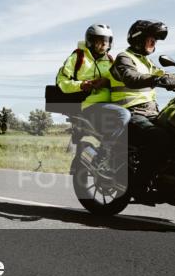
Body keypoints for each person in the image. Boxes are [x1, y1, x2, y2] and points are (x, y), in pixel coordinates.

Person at [108, 20, 175, 196]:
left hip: (151, 113)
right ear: (138, 38)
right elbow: (131, 77)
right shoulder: (124, 58)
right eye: (151, 39)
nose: (153, 43)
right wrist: (156, 79)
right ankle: (138, 184)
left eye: (155, 40)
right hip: (129, 112)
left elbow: (164, 75)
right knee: (160, 138)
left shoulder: (147, 63)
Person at [55, 24, 131, 176]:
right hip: (90, 105)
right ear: (90, 41)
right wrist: (83, 85)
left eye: (108, 41)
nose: (104, 44)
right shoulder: (78, 57)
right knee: (123, 115)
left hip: (111, 105)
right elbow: (61, 81)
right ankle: (101, 157)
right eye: (100, 40)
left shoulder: (110, 60)